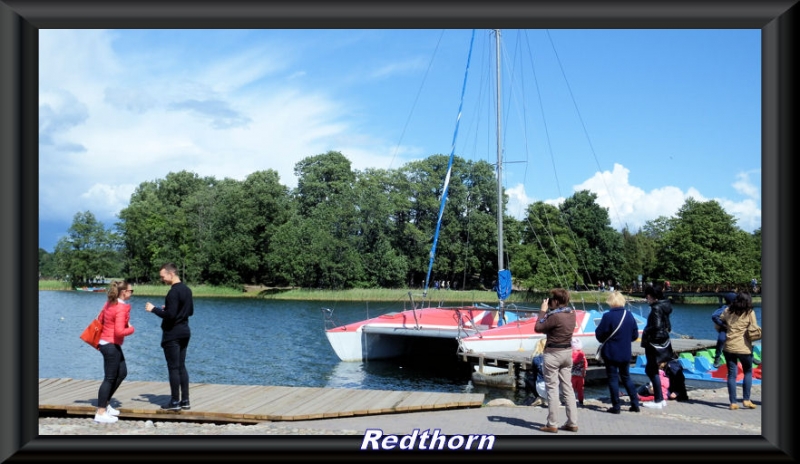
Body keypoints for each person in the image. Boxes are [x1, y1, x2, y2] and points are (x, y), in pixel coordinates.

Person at [145, 262, 195, 411]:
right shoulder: (187, 290)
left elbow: (170, 316)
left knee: (173, 368)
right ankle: (185, 400)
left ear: (171, 274)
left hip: (172, 334)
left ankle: (174, 402)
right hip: (185, 332)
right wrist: (170, 309)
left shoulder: (173, 292)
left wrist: (154, 309)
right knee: (181, 367)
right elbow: (189, 311)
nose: (162, 279)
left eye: (163, 276)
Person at [533, 288, 578, 433]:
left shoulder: (554, 317)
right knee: (568, 388)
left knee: (552, 389)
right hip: (567, 353)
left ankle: (552, 424)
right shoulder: (572, 314)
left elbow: (538, 327)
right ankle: (572, 422)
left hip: (553, 354)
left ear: (557, 301)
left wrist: (542, 311)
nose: (550, 301)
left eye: (552, 299)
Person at [94, 280, 135, 423]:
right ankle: (100, 412)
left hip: (109, 343)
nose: (132, 293)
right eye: (131, 291)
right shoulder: (121, 308)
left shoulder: (109, 303)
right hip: (110, 344)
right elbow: (119, 331)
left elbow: (101, 319)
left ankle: (105, 403)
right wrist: (131, 328)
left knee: (122, 372)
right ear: (124, 293)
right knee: (110, 378)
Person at [595, 290, 641, 414]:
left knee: (613, 379)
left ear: (610, 302)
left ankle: (616, 406)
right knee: (626, 378)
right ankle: (635, 403)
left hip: (611, 352)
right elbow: (635, 335)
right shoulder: (629, 315)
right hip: (625, 352)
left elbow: (599, 335)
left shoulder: (607, 316)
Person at [720, 292, 760, 410]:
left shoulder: (727, 311)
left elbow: (719, 323)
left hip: (729, 346)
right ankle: (746, 400)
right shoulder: (749, 312)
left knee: (732, 374)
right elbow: (754, 328)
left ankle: (733, 402)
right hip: (744, 347)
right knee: (748, 371)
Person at [640, 284, 673, 409]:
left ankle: (658, 399)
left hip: (654, 344)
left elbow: (657, 326)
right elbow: (667, 326)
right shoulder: (665, 306)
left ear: (650, 296)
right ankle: (660, 399)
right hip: (663, 342)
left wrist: (647, 331)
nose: (646, 299)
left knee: (651, 370)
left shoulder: (655, 309)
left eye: (647, 297)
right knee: (652, 369)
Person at [712, 292, 736, 368]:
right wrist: (722, 324)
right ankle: (717, 358)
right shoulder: (724, 308)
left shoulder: (738, 307)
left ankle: (751, 357)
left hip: (736, 328)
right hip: (725, 328)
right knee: (721, 339)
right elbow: (714, 316)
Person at [523, 338, 548, 407]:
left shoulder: (536, 359)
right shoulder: (554, 357)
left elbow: (535, 373)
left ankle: (539, 397)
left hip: (541, 386)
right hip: (554, 386)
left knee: (529, 378)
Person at [570, 338, 587, 406]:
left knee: (571, 389)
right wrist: (584, 371)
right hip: (580, 375)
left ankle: (571, 401)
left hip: (572, 375)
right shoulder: (582, 354)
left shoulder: (570, 353)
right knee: (580, 389)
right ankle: (580, 400)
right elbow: (585, 364)